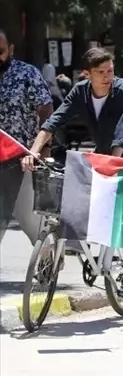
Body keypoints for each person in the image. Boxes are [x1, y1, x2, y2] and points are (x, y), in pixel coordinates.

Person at [24, 48, 123, 309]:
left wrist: (113, 163)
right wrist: (33, 151)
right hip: (102, 160)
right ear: (87, 74)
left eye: (110, 71)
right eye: (100, 72)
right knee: (78, 210)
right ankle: (91, 258)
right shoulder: (81, 92)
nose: (107, 77)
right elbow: (54, 121)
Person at [0, 29, 53, 238]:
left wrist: (45, 148)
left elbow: (46, 110)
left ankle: (47, 255)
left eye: (0, 51)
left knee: (26, 215)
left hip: (22, 158)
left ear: (11, 50)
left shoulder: (26, 74)